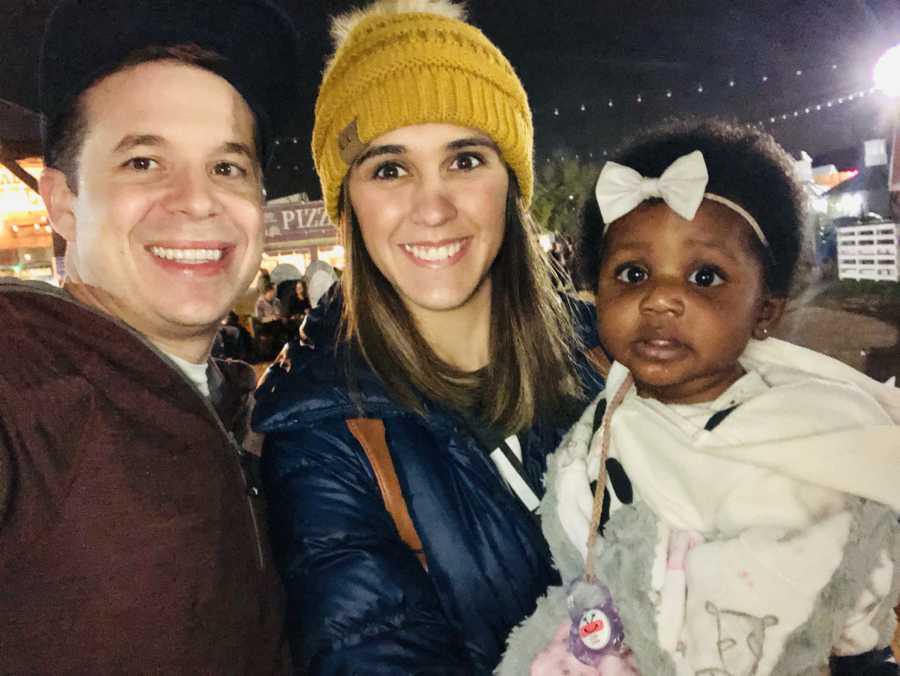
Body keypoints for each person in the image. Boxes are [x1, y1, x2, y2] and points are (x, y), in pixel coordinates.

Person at [251, 1, 605, 673]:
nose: (433, 206)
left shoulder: (610, 354)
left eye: (466, 160)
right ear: (348, 201)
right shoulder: (327, 436)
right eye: (389, 168)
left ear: (512, 184)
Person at [498, 119, 900, 675]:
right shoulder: (600, 425)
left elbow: (844, 615)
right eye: (633, 272)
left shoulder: (815, 437)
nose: (661, 298)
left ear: (766, 308)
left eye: (705, 277)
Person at [0, 0, 302, 672]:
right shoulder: (25, 391)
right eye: (142, 162)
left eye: (227, 167)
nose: (197, 200)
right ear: (61, 202)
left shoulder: (245, 406)